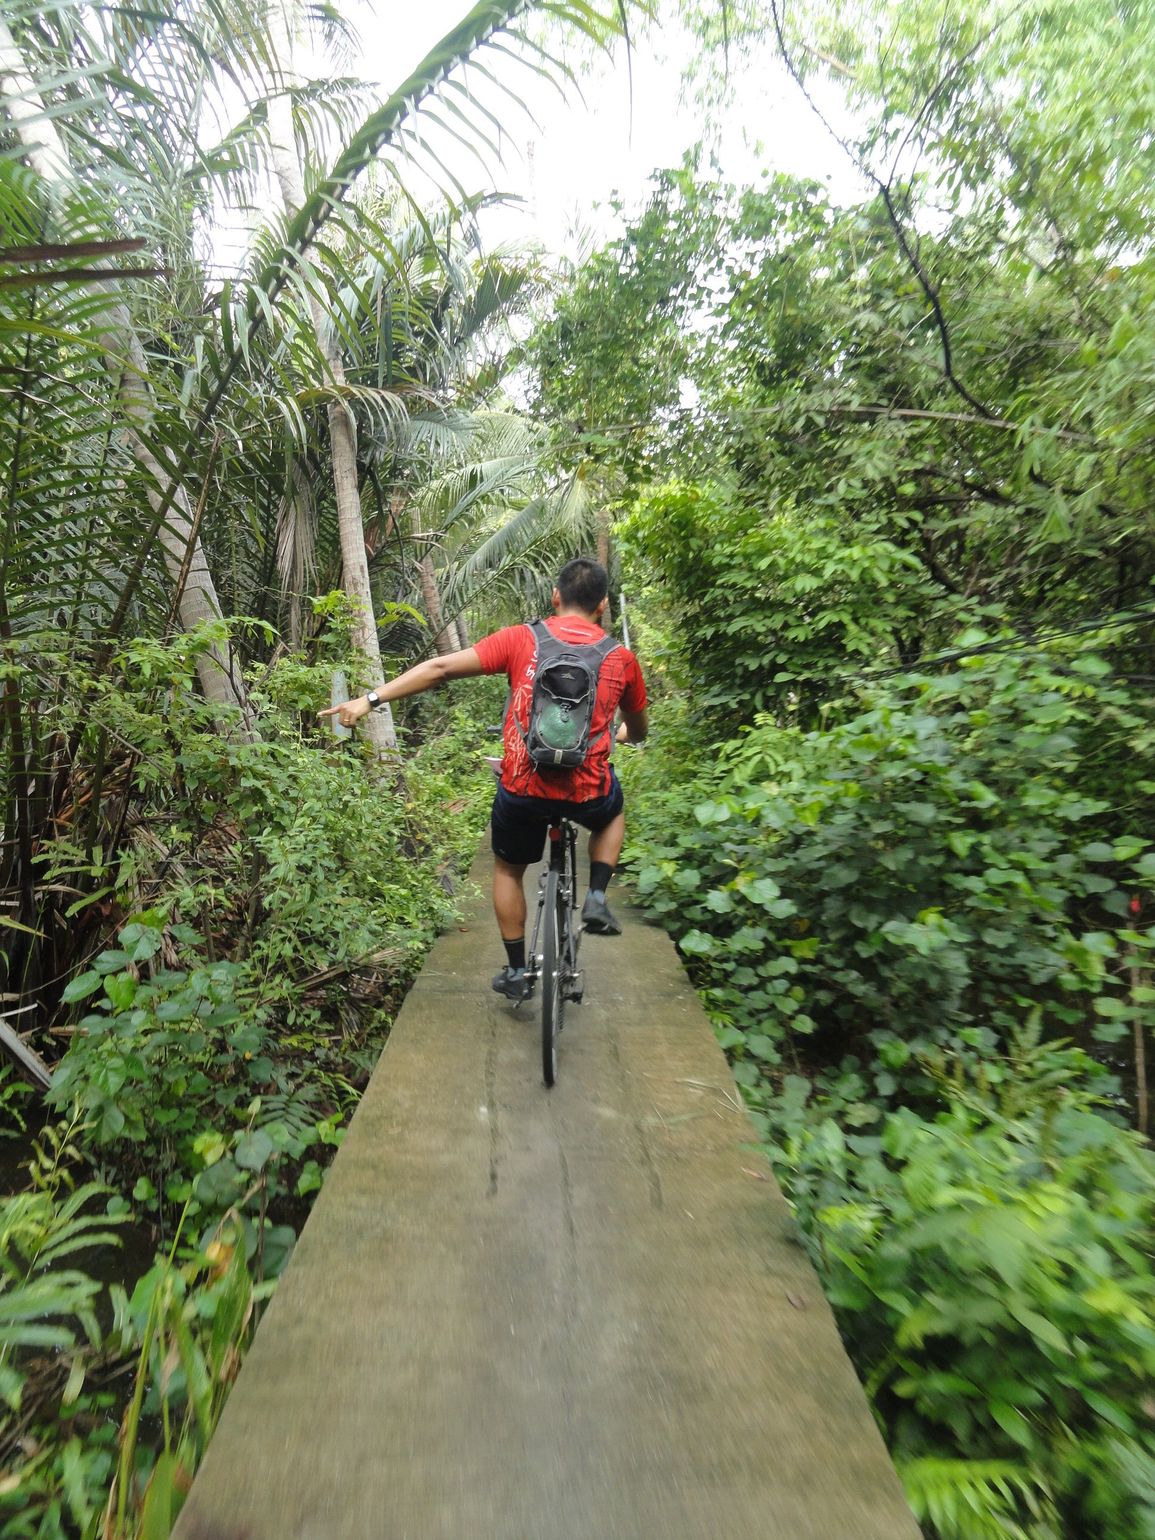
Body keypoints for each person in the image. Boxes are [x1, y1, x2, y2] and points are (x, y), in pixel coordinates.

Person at [319, 556, 648, 1000]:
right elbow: (638, 729)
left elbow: (439, 669)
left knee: (509, 871)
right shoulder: (622, 659)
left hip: (522, 788)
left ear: (555, 596)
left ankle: (516, 972)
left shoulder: (521, 640)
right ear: (603, 605)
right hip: (585, 790)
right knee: (612, 813)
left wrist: (369, 699)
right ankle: (597, 897)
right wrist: (622, 734)